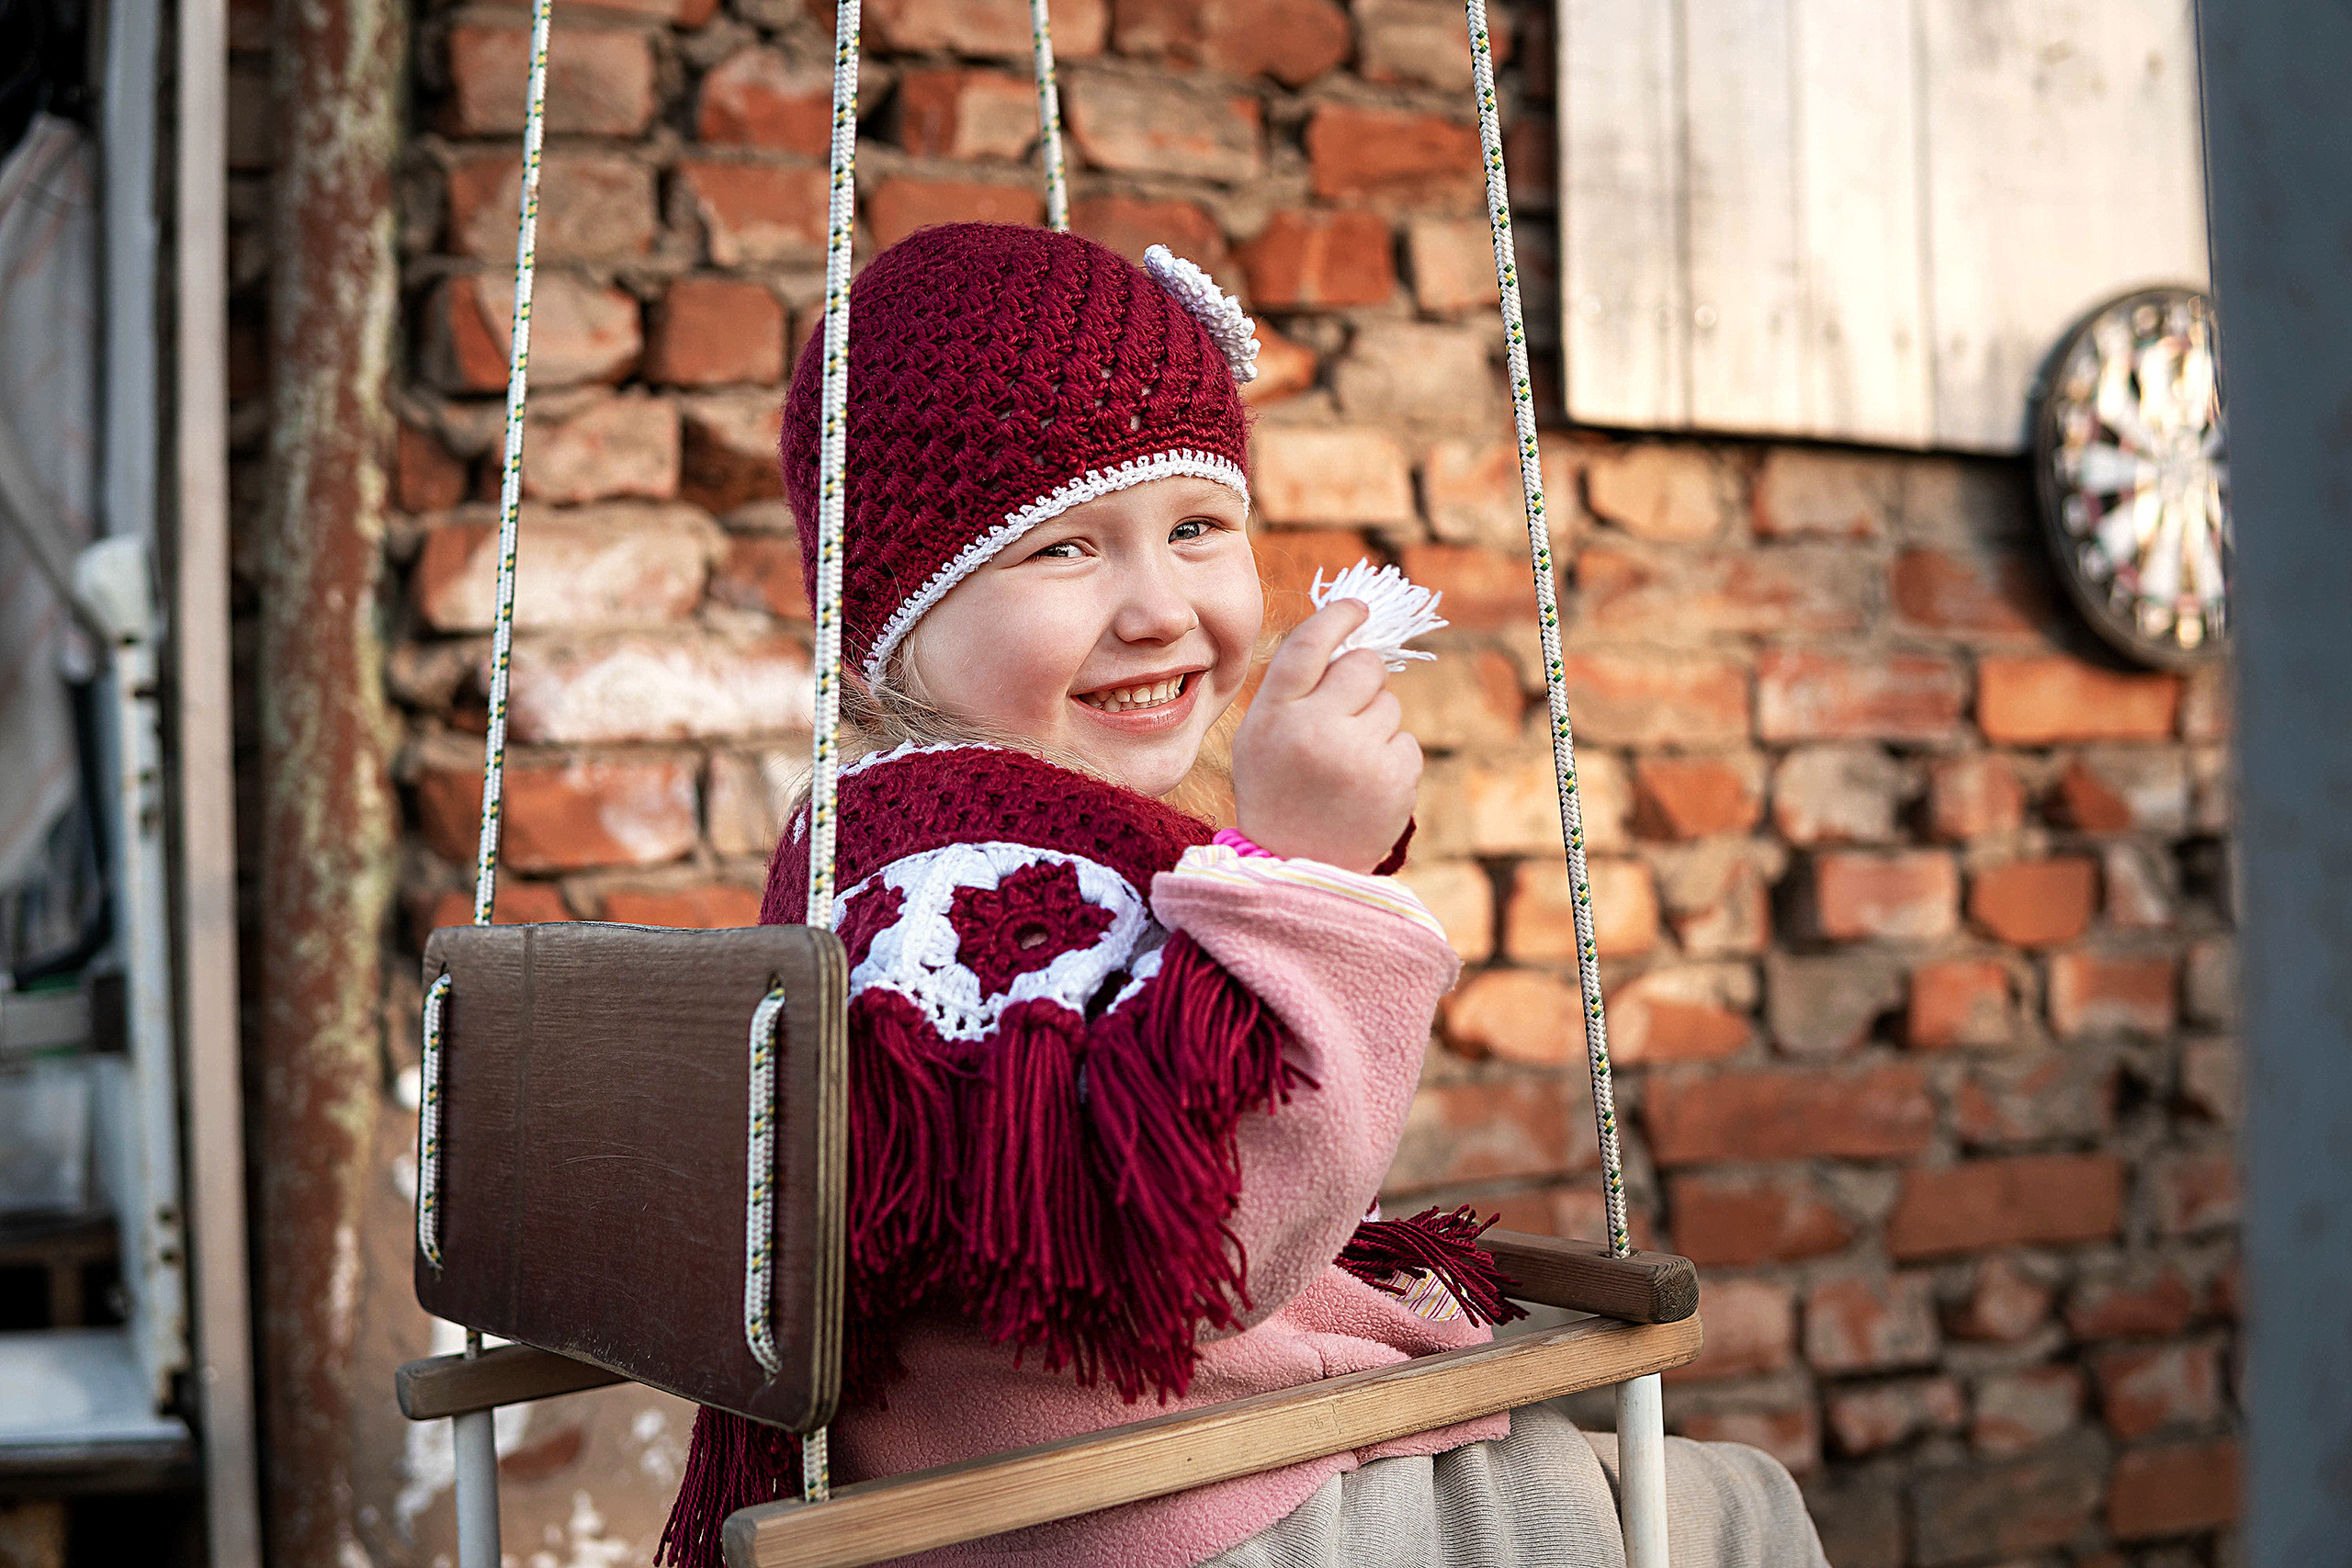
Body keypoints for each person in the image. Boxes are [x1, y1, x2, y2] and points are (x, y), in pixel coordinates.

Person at [660, 223, 1826, 1568]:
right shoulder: (968, 889)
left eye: (1197, 527)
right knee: (1739, 1510)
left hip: (1114, 1482)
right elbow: (1203, 1237)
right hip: (1170, 1512)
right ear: (887, 624)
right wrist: (1308, 871)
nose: (1161, 609)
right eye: (1063, 549)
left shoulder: (906, 830)